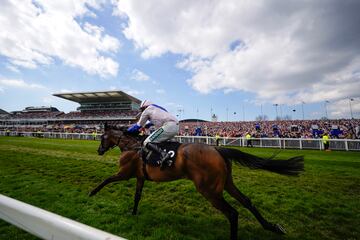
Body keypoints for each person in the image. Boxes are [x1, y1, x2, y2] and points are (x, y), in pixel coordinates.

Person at [127, 100, 179, 167]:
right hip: (175, 126)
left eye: (142, 109)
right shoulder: (159, 109)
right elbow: (152, 122)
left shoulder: (147, 110)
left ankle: (164, 155)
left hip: (168, 126)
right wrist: (146, 125)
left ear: (145, 107)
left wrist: (127, 131)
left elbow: (138, 125)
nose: (142, 111)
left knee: (147, 142)